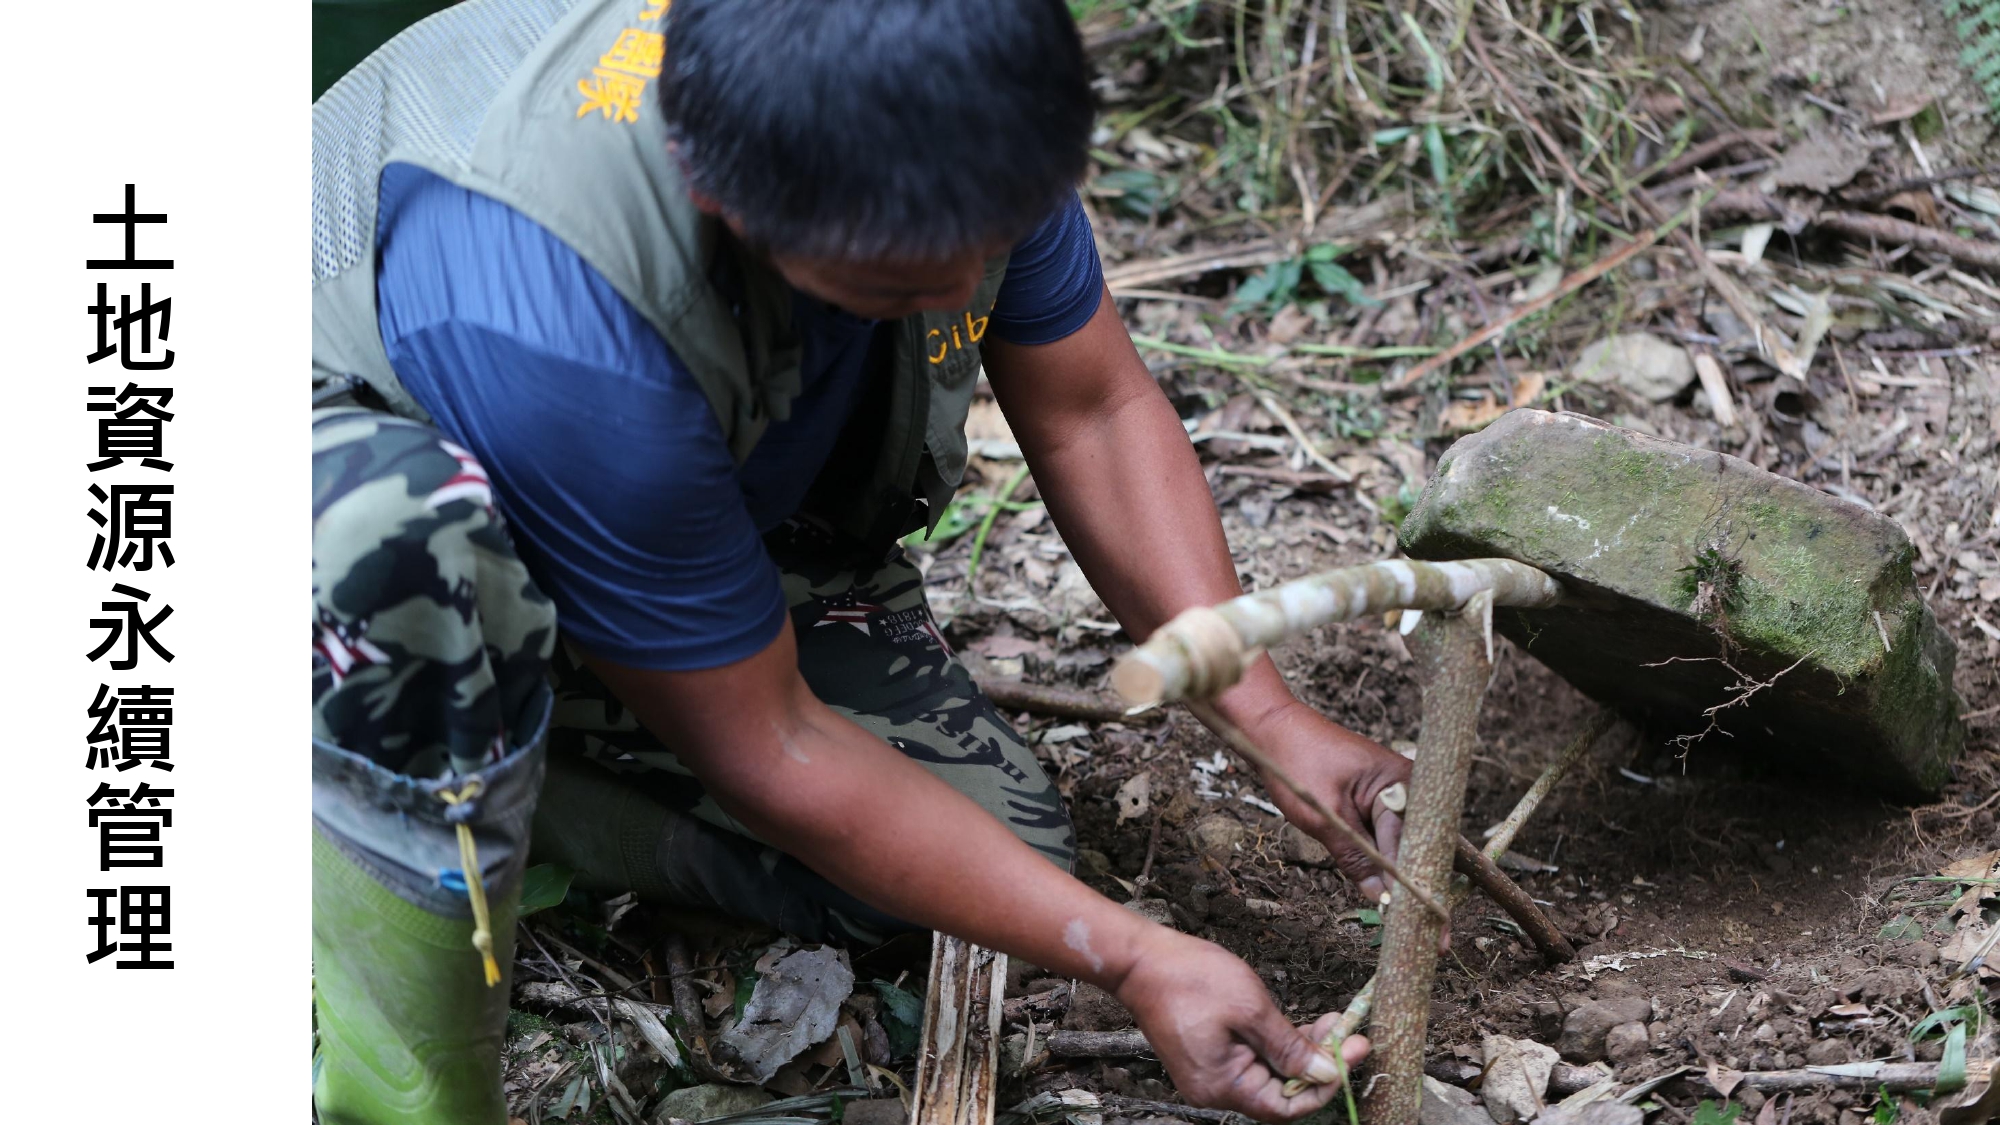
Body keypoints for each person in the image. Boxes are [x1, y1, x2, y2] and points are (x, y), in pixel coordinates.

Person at [309, 1, 1413, 1121]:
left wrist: (1262, 715)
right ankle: (389, 838)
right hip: (328, 496)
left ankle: (541, 761)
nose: (952, 297)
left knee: (985, 857)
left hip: (668, 500)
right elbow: (773, 742)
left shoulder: (947, 88)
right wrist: (1134, 960)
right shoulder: (554, 310)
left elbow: (1092, 412)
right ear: (714, 188)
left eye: (985, 241)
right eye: (892, 284)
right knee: (394, 543)